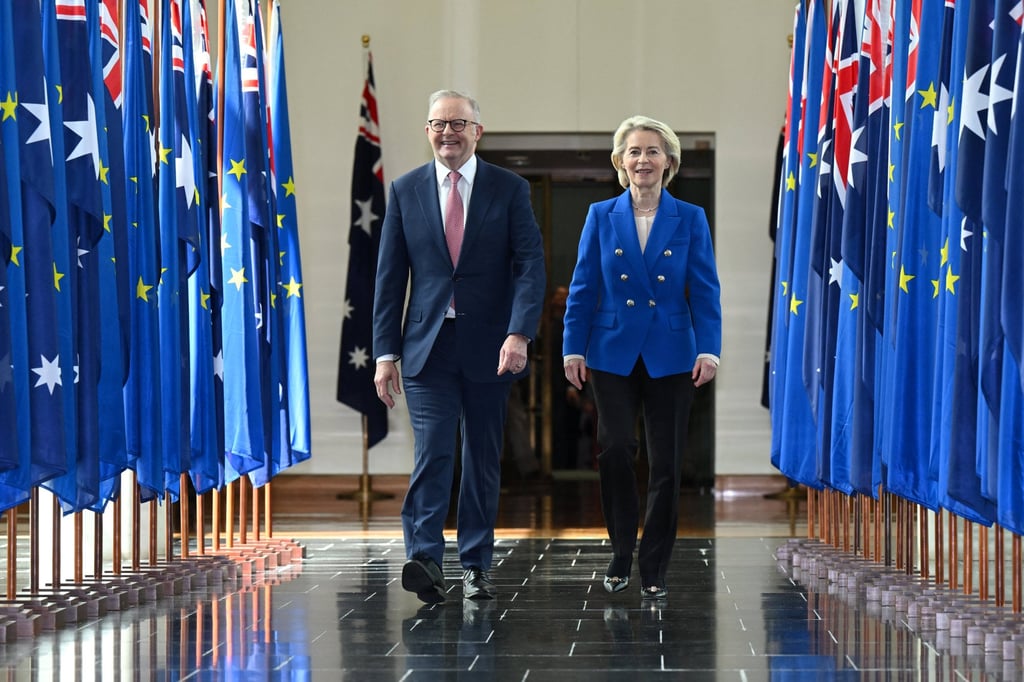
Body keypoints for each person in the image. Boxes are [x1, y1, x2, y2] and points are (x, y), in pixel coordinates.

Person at [373, 90, 546, 603]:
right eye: (438, 123)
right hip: (427, 348)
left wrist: (520, 332)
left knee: (482, 459)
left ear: (478, 131)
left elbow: (529, 265)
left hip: (493, 348)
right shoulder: (405, 191)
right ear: (427, 131)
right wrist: (385, 353)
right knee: (433, 453)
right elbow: (389, 278)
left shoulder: (509, 188)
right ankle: (424, 559)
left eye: (458, 123)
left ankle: (475, 564)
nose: (448, 132)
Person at [562, 115, 721, 600]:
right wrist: (573, 344)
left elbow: (705, 288)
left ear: (669, 162)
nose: (643, 160)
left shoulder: (689, 217)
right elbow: (584, 285)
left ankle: (654, 564)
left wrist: (709, 347)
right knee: (614, 451)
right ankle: (620, 552)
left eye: (653, 151)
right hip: (611, 352)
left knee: (667, 462)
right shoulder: (600, 214)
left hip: (672, 353)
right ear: (620, 161)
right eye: (634, 151)